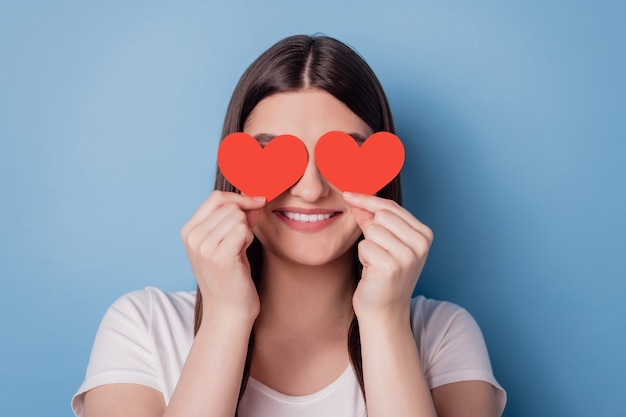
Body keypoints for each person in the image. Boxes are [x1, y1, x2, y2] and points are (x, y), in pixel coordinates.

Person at [72, 34, 506, 417]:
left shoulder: (444, 335)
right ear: (236, 168)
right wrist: (226, 318)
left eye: (342, 156)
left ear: (380, 172)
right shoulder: (143, 327)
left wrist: (385, 319)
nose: (312, 190)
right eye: (278, 155)